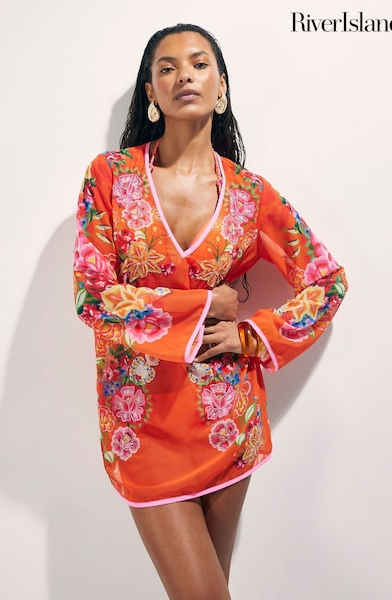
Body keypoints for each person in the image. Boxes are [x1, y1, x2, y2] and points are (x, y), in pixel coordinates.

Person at [73, 23, 348, 599]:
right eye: (167, 67)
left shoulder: (251, 194)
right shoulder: (110, 177)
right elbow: (92, 295)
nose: (184, 76)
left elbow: (327, 281)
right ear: (151, 92)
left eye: (199, 64)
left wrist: (253, 334)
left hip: (227, 417)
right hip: (140, 423)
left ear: (221, 85)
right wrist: (206, 303)